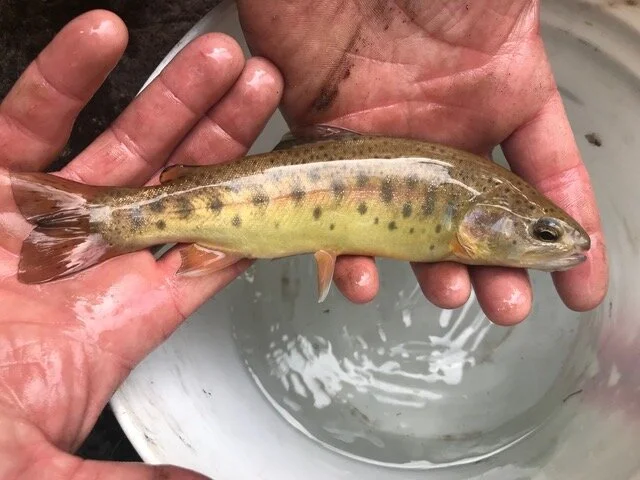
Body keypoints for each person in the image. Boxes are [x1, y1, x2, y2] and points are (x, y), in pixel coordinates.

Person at [0, 4, 606, 479]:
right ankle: (103, 219)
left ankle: (99, 219)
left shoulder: (470, 192)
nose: (559, 245)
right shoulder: (460, 211)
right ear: (485, 221)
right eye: (543, 234)